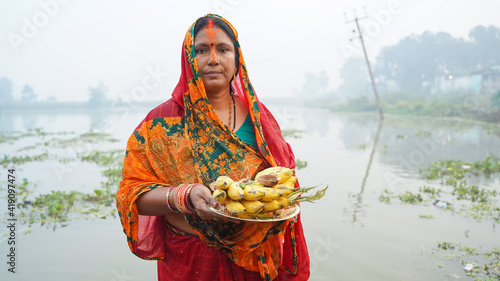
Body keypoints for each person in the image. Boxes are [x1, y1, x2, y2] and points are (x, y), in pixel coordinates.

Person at [116, 14, 310, 281]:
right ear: (188, 58)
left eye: (223, 49)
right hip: (189, 259)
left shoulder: (260, 119)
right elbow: (131, 195)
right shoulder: (159, 123)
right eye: (201, 50)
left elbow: (285, 181)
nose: (213, 60)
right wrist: (186, 196)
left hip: (252, 257)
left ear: (236, 57)